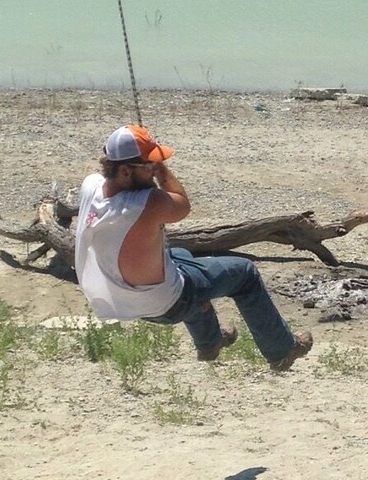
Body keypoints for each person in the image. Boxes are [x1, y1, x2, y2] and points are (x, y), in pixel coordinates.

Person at [73, 124, 312, 371]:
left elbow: (108, 171)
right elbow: (182, 205)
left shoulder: (91, 186)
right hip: (165, 304)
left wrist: (142, 162)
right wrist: (163, 172)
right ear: (124, 171)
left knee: (181, 255)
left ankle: (210, 343)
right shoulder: (147, 202)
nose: (152, 173)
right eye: (148, 168)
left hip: (120, 300)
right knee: (245, 274)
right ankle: (281, 351)